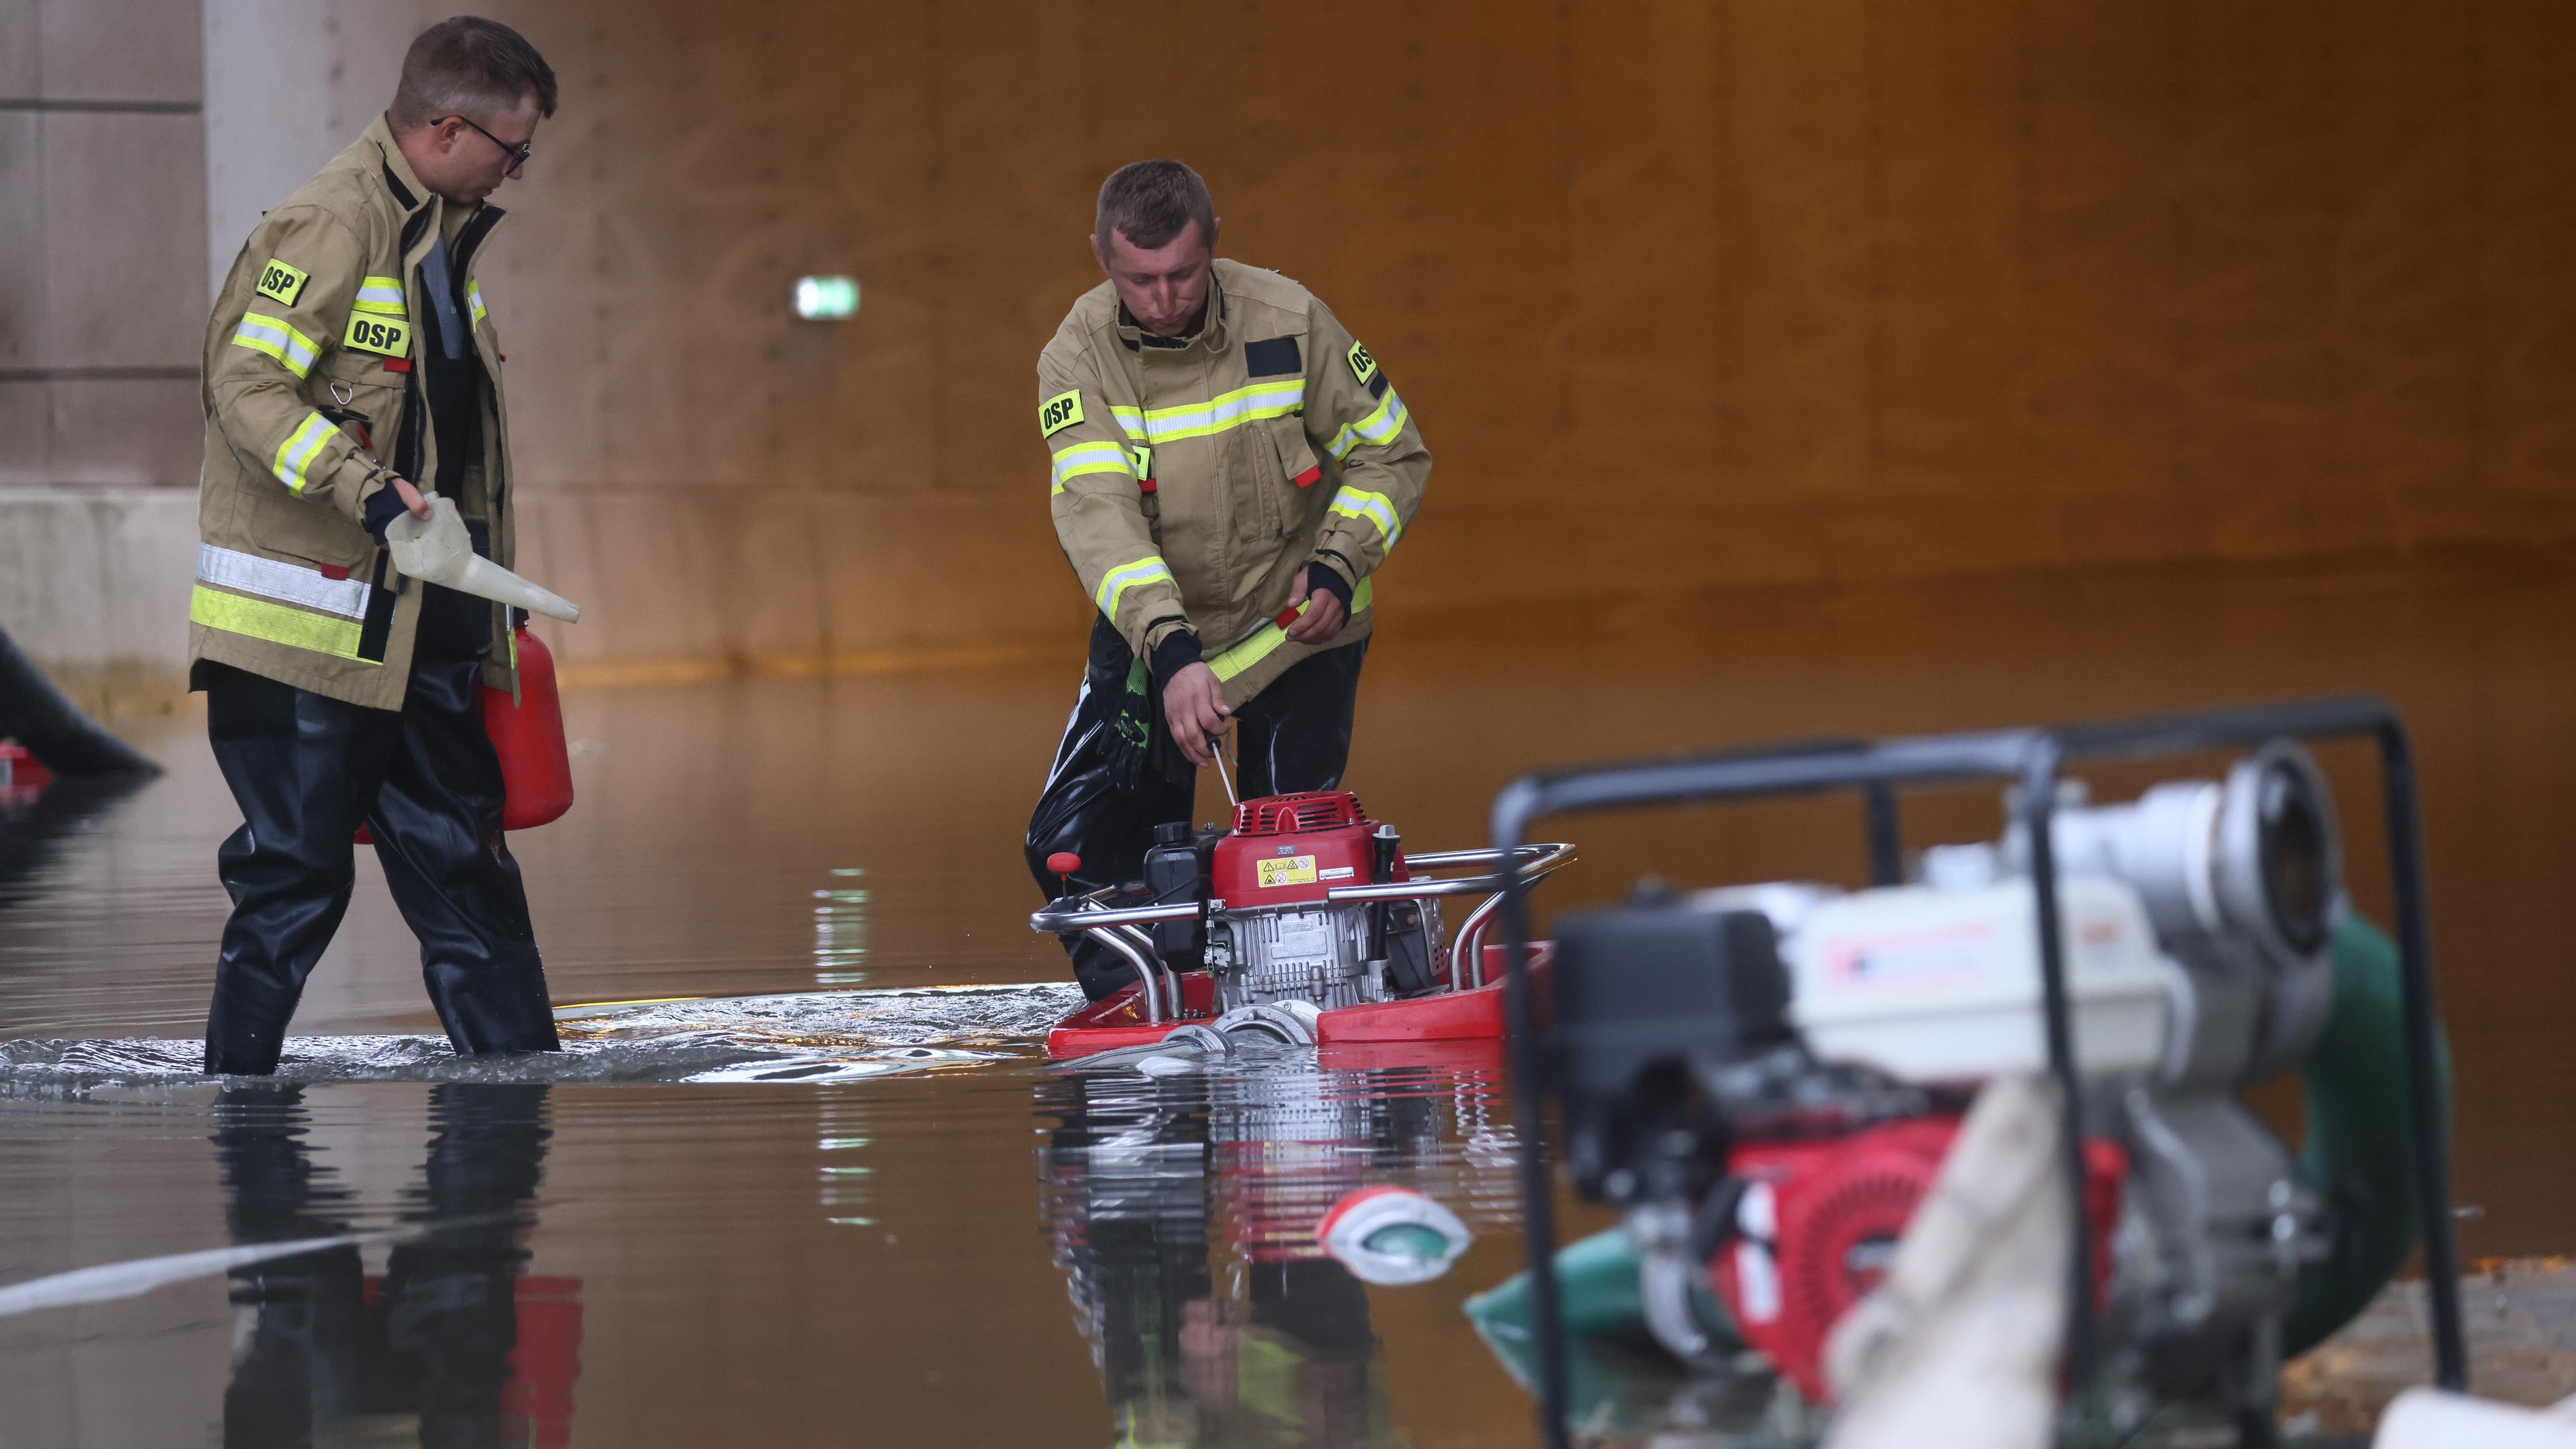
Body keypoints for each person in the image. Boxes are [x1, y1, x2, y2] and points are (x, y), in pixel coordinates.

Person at [191, 17, 562, 1073]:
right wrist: (362, 486)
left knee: (468, 870)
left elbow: (456, 442)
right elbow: (245, 389)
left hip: (422, 630)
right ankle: (240, 1111)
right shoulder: (327, 225)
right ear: (446, 129)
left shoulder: (442, 245)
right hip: (307, 632)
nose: (517, 173)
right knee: (296, 877)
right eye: (512, 151)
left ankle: (516, 1110)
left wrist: (491, 596)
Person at [1024, 160, 1432, 1000]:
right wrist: (1171, 655)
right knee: (1070, 842)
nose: (1165, 298)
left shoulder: (1287, 318)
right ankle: (1155, 996)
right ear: (1102, 258)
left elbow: (1392, 452)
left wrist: (1338, 562)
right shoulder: (1077, 358)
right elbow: (1098, 518)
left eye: (1183, 274)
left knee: (1290, 852)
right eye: (1140, 279)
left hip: (1297, 626)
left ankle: (1303, 992)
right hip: (1158, 638)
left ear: (1215, 248)